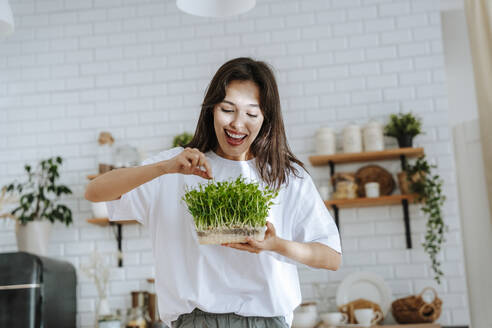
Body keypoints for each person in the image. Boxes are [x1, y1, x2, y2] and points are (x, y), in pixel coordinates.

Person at [85, 57, 342, 328]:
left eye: (251, 114)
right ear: (211, 109)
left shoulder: (286, 175)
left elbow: (331, 257)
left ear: (266, 118)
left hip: (268, 321)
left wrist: (275, 245)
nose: (237, 124)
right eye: (227, 109)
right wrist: (163, 168)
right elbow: (95, 192)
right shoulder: (178, 165)